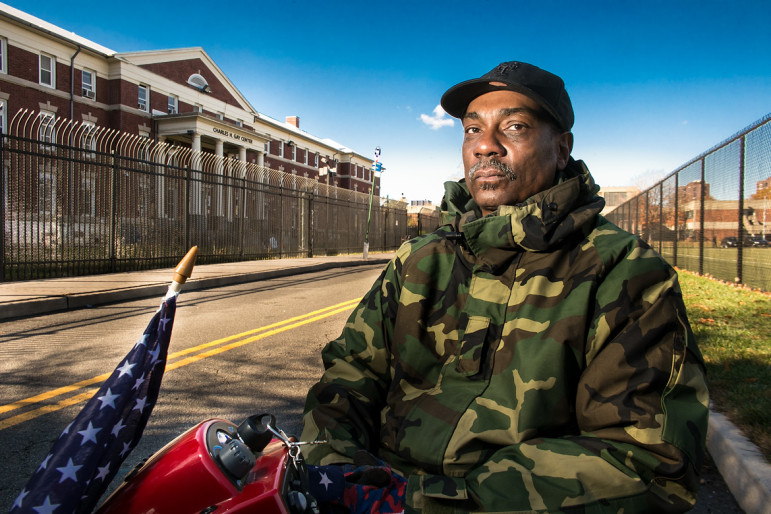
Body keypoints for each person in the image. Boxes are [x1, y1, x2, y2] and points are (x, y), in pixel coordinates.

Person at [300, 61, 709, 513]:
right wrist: (333, 469)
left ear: (561, 148)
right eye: (472, 130)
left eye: (513, 127)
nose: (484, 146)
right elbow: (349, 376)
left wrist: (415, 504)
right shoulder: (421, 259)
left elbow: (647, 462)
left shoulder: (624, 272)